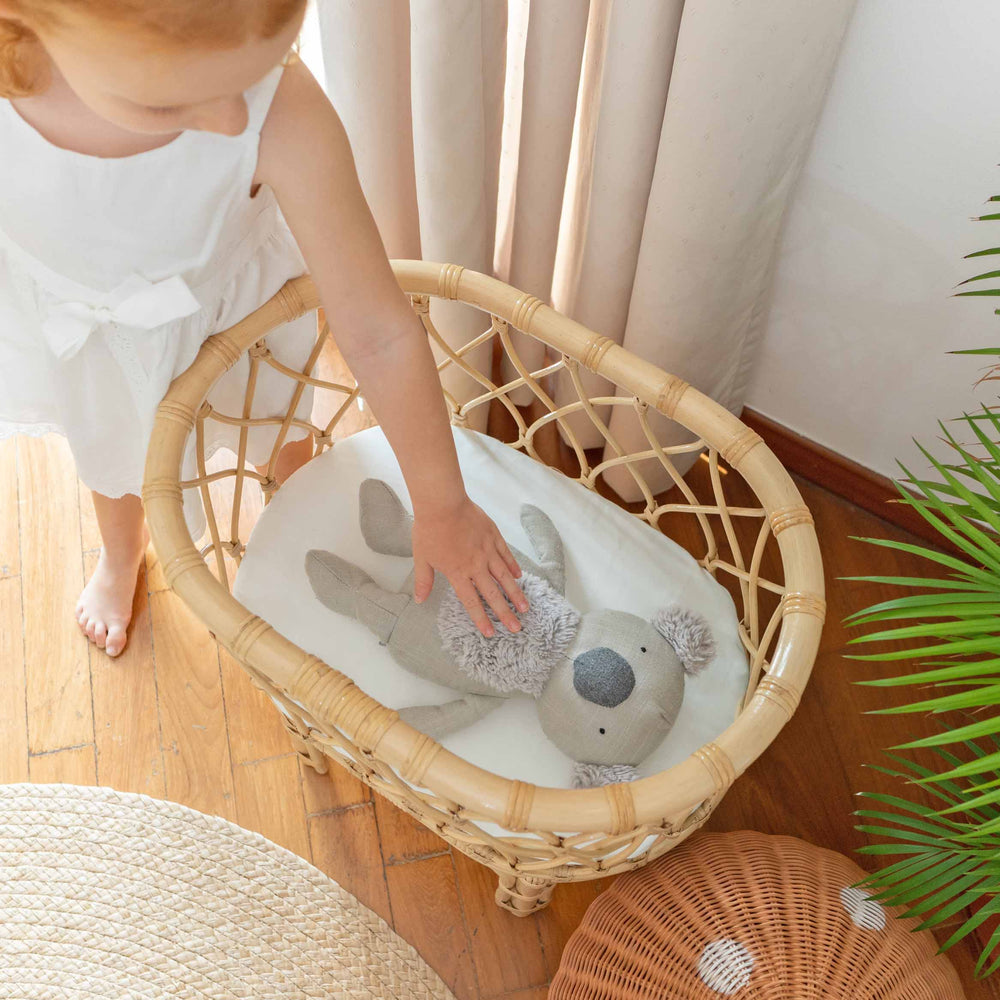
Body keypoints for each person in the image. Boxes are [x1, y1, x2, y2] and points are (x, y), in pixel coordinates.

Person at [0, 0, 526, 658]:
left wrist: (442, 504)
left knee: (278, 429)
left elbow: (381, 332)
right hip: (88, 344)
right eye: (172, 104)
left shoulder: (284, 116)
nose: (231, 119)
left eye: (265, 65)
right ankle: (121, 552)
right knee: (112, 459)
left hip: (241, 324)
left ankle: (295, 499)